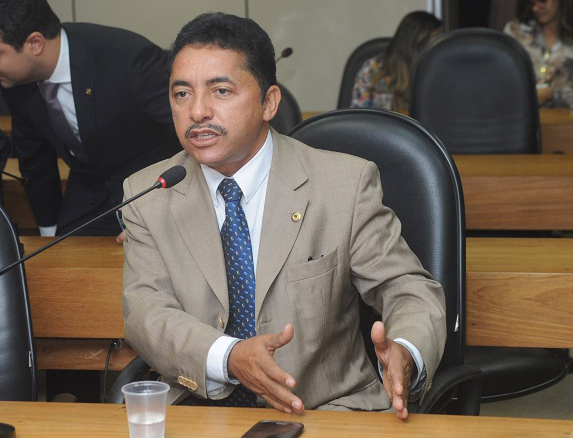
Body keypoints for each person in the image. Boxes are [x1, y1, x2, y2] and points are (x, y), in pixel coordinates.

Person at [122, 12, 446, 419]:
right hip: (198, 414)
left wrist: (407, 350)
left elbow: (407, 288)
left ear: (269, 102)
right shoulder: (148, 194)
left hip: (326, 412)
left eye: (220, 91)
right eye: (182, 94)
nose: (198, 111)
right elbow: (146, 313)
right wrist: (229, 357)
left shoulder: (344, 184)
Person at [0, 0, 181, 237]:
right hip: (90, 187)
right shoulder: (14, 80)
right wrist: (48, 232)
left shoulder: (129, 59)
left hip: (154, 181)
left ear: (35, 43)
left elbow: (190, 130)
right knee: (62, 252)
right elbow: (35, 158)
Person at [350, 11, 442, 111]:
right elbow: (358, 116)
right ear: (417, 43)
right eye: (435, 39)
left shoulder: (437, 70)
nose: (439, 46)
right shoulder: (373, 69)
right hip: (382, 121)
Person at [504, 0, 573, 106]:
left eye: (542, 1)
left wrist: (551, 94)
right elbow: (502, 82)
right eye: (532, 3)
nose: (536, 8)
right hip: (521, 112)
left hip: (565, 114)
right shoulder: (516, 32)